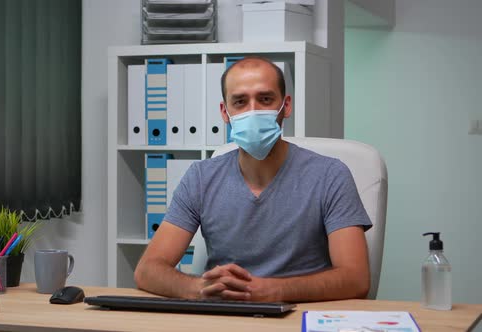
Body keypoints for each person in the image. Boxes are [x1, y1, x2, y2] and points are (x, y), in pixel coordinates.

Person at [134, 56, 372, 303]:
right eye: (240, 101)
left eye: (265, 99)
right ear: (225, 113)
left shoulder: (330, 176)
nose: (253, 111)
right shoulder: (201, 178)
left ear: (286, 105)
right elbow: (148, 270)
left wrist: (274, 291)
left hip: (299, 316)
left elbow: (356, 279)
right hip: (224, 315)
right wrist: (201, 287)